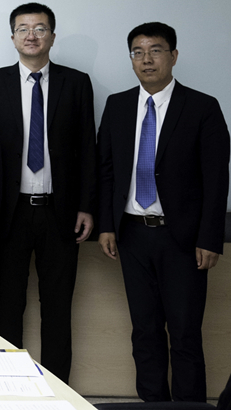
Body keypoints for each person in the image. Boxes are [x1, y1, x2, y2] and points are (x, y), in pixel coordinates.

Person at [97, 22, 229, 402]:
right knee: (145, 330)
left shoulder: (202, 107)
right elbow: (106, 170)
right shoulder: (118, 105)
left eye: (155, 51)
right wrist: (106, 225)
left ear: (173, 56)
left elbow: (216, 179)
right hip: (133, 234)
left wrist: (210, 238)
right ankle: (153, 403)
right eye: (138, 52)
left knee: (185, 333)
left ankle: (188, 406)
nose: (146, 59)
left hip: (182, 239)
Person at [0, 3, 95, 383]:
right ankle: (12, 387)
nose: (31, 35)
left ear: (52, 37)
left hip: (60, 212)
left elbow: (87, 149)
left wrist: (86, 206)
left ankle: (58, 391)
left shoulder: (76, 83)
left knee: (58, 308)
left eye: (40, 28)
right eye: (23, 29)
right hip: (9, 214)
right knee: (8, 307)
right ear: (12, 38)